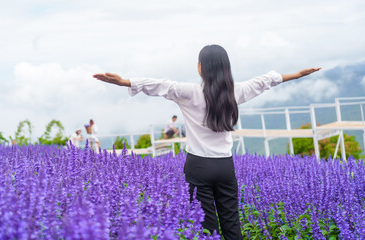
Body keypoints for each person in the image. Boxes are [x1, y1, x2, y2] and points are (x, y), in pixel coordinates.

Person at [93, 44, 320, 239]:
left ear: (202, 67)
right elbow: (264, 81)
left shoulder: (189, 91)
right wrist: (297, 75)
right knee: (232, 225)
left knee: (207, 228)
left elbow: (160, 85)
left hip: (198, 166)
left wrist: (125, 82)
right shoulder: (235, 91)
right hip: (224, 166)